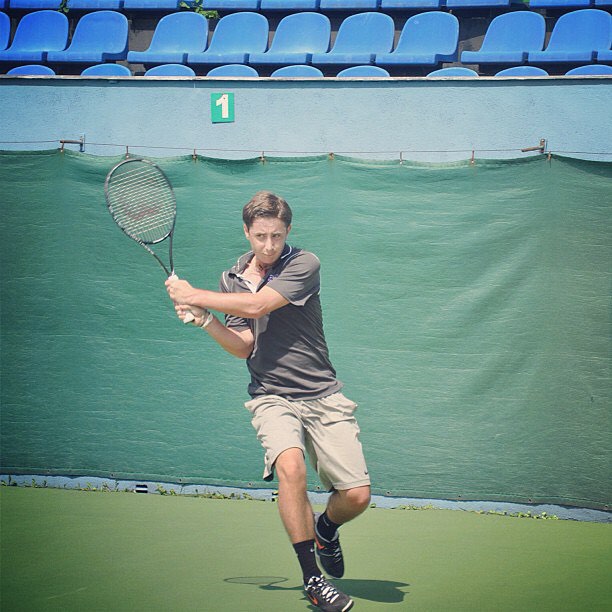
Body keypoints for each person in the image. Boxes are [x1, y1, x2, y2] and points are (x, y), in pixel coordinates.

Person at [166, 191, 370, 612]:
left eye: (277, 235)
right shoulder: (231, 278)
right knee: (290, 467)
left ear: (288, 231)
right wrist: (205, 321)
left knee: (357, 496)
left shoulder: (304, 263)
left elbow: (260, 304)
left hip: (322, 393)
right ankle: (313, 580)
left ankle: (326, 528)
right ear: (247, 232)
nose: (269, 245)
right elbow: (243, 345)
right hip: (271, 394)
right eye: (260, 236)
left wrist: (195, 295)